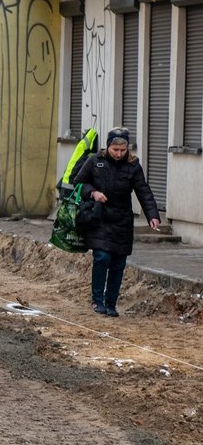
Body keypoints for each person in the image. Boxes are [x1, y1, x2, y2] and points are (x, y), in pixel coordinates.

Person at [73, 127, 160, 317]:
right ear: (108, 146)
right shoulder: (95, 161)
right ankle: (97, 301)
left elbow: (143, 191)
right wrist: (93, 193)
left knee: (118, 263)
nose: (119, 154)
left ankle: (111, 303)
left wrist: (152, 215)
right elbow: (78, 182)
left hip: (122, 220)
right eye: (115, 150)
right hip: (99, 217)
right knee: (102, 257)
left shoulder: (133, 165)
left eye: (123, 150)